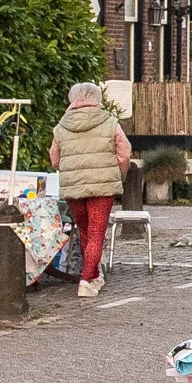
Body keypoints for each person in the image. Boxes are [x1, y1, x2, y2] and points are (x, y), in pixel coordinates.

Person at [51, 80, 132, 298]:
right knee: (96, 232)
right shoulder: (110, 122)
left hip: (74, 187)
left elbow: (55, 159)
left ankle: (94, 275)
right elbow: (124, 153)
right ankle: (86, 281)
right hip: (102, 186)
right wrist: (119, 173)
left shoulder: (61, 126)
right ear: (97, 99)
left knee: (85, 230)